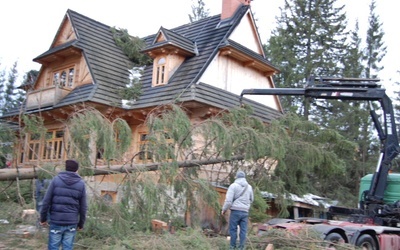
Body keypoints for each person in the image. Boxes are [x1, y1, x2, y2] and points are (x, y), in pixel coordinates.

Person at [40, 160, 87, 250]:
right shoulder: (81, 184)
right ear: (76, 170)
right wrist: (81, 224)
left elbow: (46, 201)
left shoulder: (56, 180)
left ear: (66, 168)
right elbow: (83, 207)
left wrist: (43, 219)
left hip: (56, 221)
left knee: (53, 247)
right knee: (68, 247)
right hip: (71, 222)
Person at [221, 170, 254, 250]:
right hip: (245, 212)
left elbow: (228, 201)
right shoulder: (249, 187)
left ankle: (232, 247)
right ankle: (241, 248)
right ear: (244, 177)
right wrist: (246, 206)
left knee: (233, 230)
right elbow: (251, 199)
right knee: (243, 231)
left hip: (235, 211)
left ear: (237, 177)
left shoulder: (233, 186)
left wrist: (224, 209)